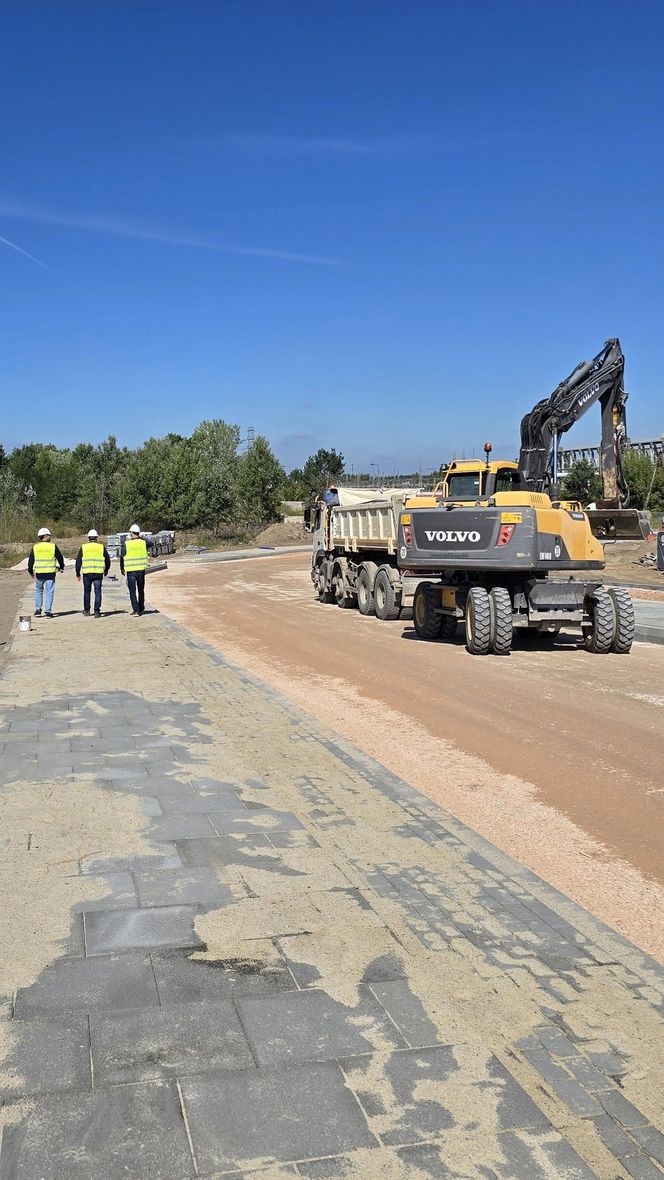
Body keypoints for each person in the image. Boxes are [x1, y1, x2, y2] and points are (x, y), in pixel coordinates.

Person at [27, 527, 65, 618]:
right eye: (49, 535)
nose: (50, 537)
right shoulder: (52, 546)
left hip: (39, 573)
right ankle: (48, 612)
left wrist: (30, 571)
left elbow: (31, 560)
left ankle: (38, 610)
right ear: (45, 536)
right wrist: (62, 567)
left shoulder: (35, 547)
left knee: (38, 591)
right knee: (49, 592)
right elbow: (60, 557)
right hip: (50, 574)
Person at [75, 529, 111, 617]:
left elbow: (78, 561)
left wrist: (77, 572)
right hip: (98, 573)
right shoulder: (101, 547)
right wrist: (106, 570)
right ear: (96, 537)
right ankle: (97, 611)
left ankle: (87, 610)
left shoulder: (84, 547)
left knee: (87, 592)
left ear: (88, 538)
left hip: (87, 573)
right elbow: (107, 560)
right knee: (98, 592)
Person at [119, 524, 152, 616]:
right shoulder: (143, 543)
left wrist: (121, 567)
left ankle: (136, 609)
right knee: (141, 590)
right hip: (141, 570)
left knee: (132, 590)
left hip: (131, 571)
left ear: (131, 533)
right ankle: (141, 608)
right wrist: (140, 538)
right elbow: (151, 543)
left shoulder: (127, 544)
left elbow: (122, 556)